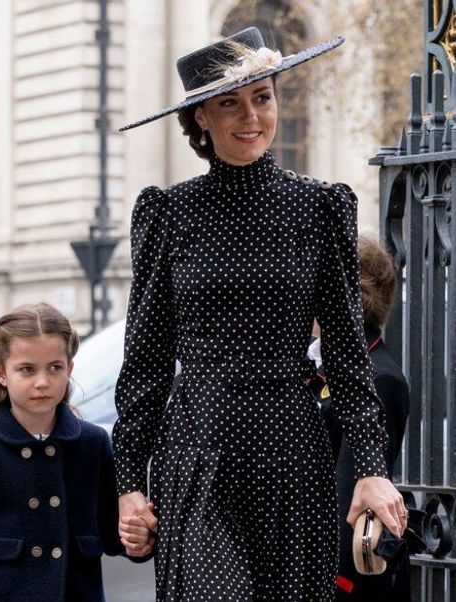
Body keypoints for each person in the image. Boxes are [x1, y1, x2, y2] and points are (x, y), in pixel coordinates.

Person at [113, 27, 407, 600]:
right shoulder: (168, 213)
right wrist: (129, 484)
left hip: (291, 452)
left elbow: (348, 350)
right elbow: (145, 361)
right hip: (198, 448)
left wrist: (371, 467)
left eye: (263, 97)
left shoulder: (319, 207)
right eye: (230, 103)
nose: (251, 116)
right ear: (201, 117)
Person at [0, 303, 155, 601]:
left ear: (69, 369)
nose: (42, 382)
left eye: (55, 368)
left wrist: (139, 540)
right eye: (26, 369)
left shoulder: (92, 443)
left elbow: (115, 535)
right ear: (1, 373)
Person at [309, 236, 411, 600]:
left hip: (344, 579)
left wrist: (334, 582)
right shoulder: (327, 364)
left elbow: (348, 491)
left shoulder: (378, 375)